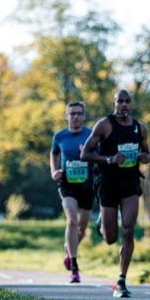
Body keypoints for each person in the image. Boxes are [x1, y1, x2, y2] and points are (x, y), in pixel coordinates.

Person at [81, 89, 150, 298]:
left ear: (131, 104)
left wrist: (145, 157)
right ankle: (103, 225)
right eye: (120, 101)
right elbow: (85, 154)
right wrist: (110, 159)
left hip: (130, 183)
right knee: (111, 238)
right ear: (114, 103)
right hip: (108, 183)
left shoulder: (140, 128)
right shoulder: (104, 125)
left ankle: (121, 279)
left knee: (129, 229)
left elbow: (147, 153)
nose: (124, 105)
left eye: (127, 101)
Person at [50, 101, 94, 283]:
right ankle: (74, 268)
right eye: (72, 113)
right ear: (66, 116)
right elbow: (53, 154)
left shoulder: (91, 134)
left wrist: (88, 152)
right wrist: (54, 171)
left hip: (87, 185)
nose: (75, 117)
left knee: (82, 229)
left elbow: (99, 155)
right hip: (67, 184)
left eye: (79, 113)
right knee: (71, 220)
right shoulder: (59, 136)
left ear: (83, 116)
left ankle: (69, 249)